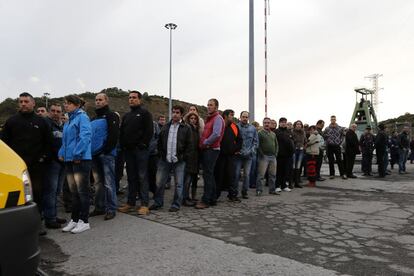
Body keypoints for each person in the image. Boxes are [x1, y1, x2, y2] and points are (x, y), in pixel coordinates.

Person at [2, 92, 53, 235]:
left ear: (33, 103)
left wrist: (43, 158)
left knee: (37, 195)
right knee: (17, 197)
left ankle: (37, 224)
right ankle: (16, 227)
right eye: (21, 101)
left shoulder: (42, 122)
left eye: (26, 101)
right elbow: (4, 143)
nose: (23, 104)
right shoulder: (11, 121)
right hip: (16, 169)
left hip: (37, 167)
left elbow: (49, 143)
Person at [59, 95, 93, 234]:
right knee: (74, 192)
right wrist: (61, 152)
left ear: (76, 105)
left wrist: (78, 154)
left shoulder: (82, 117)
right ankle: (74, 219)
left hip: (80, 159)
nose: (65, 106)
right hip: (69, 160)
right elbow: (65, 140)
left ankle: (84, 221)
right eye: (65, 103)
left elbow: (85, 136)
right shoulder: (69, 119)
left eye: (68, 103)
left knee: (82, 191)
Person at [150, 105, 193, 212]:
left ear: (181, 114)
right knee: (159, 182)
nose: (175, 114)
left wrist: (183, 157)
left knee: (179, 184)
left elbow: (190, 146)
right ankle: (158, 202)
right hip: (164, 160)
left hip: (179, 161)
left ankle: (176, 204)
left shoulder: (186, 128)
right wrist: (161, 154)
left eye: (177, 112)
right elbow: (159, 142)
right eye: (173, 112)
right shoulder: (165, 126)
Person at [118, 91, 153, 215]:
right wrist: (122, 146)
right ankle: (130, 203)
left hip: (140, 151)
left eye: (134, 97)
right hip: (128, 151)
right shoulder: (126, 116)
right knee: (131, 178)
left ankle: (144, 205)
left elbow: (149, 131)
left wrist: (142, 144)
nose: (131, 99)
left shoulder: (145, 113)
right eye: (130, 98)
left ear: (140, 100)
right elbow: (122, 132)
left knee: (142, 177)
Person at [89, 93, 120, 220]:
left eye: (100, 100)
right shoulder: (93, 118)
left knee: (108, 183)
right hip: (94, 155)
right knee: (98, 183)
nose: (98, 102)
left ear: (106, 101)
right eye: (96, 100)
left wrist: (106, 151)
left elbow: (114, 135)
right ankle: (99, 207)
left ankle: (111, 208)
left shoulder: (112, 116)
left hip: (106, 155)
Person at [195, 99, 225, 209]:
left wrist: (205, 143)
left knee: (208, 175)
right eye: (207, 105)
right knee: (209, 175)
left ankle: (206, 200)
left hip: (211, 149)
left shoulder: (217, 118)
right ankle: (212, 198)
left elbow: (216, 134)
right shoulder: (211, 118)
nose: (208, 107)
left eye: (211, 105)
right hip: (209, 149)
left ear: (216, 107)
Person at [42, 103, 67, 229]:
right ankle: (49, 219)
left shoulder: (63, 126)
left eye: (58, 111)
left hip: (63, 162)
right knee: (50, 192)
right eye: (53, 111)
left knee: (57, 191)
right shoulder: (45, 124)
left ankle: (53, 215)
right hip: (52, 163)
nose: (56, 113)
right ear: (48, 111)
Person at [215, 109, 242, 201]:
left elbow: (240, 140)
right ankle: (215, 195)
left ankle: (232, 195)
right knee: (219, 175)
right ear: (225, 116)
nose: (232, 116)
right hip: (220, 155)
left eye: (233, 115)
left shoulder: (235, 126)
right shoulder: (220, 124)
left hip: (231, 156)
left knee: (232, 176)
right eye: (231, 115)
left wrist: (235, 149)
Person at [233, 111, 258, 199]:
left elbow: (256, 142)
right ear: (240, 117)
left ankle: (244, 192)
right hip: (238, 155)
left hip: (248, 156)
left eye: (246, 117)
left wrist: (251, 151)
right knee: (236, 174)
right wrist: (236, 150)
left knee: (246, 175)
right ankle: (234, 192)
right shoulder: (235, 127)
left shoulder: (253, 128)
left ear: (248, 118)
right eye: (243, 117)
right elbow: (233, 140)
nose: (245, 118)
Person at [256, 117, 279, 196]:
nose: (267, 124)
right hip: (264, 157)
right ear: (263, 124)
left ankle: (272, 190)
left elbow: (276, 144)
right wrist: (261, 153)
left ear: (270, 124)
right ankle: (259, 190)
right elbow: (257, 144)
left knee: (273, 175)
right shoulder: (260, 133)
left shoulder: (273, 134)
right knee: (261, 175)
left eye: (268, 123)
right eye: (265, 122)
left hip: (273, 157)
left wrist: (276, 153)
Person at [183, 112, 201, 205]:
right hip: (189, 157)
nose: (193, 120)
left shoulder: (196, 129)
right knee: (187, 179)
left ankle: (191, 197)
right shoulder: (187, 128)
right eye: (191, 118)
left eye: (195, 119)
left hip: (195, 157)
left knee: (193, 178)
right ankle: (185, 198)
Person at [275, 117, 295, 192]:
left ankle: (284, 186)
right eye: (282, 122)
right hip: (279, 155)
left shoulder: (289, 132)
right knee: (278, 171)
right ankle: (277, 186)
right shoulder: (276, 132)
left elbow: (293, 142)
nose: (283, 123)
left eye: (285, 122)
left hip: (288, 155)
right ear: (279, 123)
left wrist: (292, 151)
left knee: (286, 171)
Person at [323, 115, 346, 179]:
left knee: (339, 160)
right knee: (331, 160)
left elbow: (343, 135)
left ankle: (342, 174)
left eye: (334, 119)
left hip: (337, 145)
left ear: (336, 120)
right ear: (330, 120)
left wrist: (341, 141)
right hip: (330, 146)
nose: (333, 120)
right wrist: (327, 139)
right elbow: (323, 135)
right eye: (332, 119)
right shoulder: (327, 128)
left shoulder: (340, 128)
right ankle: (332, 174)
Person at [291, 120, 306, 188]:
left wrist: (304, 147)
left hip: (301, 151)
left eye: (300, 124)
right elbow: (291, 141)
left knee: (298, 167)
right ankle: (291, 182)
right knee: (293, 166)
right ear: (295, 125)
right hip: (294, 150)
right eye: (297, 124)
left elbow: (305, 141)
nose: (299, 125)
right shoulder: (292, 132)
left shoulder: (303, 132)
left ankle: (297, 182)